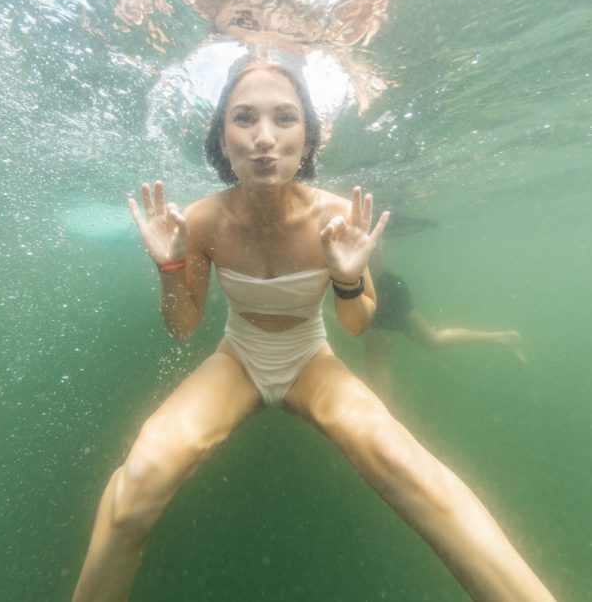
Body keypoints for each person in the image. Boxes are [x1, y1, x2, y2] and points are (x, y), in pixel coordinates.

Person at [72, 57, 556, 602]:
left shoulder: (334, 214)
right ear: (222, 141)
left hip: (309, 358)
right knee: (140, 479)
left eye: (284, 118)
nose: (263, 137)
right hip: (238, 357)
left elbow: (354, 326)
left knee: (400, 460)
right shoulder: (202, 221)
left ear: (307, 140)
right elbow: (185, 328)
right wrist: (168, 269)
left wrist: (349, 281)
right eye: (244, 119)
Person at [364, 268, 526, 402]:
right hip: (385, 285)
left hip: (378, 289)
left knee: (377, 361)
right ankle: (500, 338)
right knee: (431, 340)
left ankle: (385, 422)